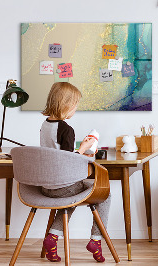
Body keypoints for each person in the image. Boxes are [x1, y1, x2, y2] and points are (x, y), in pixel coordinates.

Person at [40, 82, 110, 263]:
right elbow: (68, 161)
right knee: (105, 194)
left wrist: (80, 150)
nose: (75, 109)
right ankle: (96, 240)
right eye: (75, 105)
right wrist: (85, 148)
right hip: (63, 186)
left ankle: (52, 238)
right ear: (66, 104)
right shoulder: (66, 129)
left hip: (46, 186)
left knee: (70, 197)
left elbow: (57, 154)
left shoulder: (45, 125)